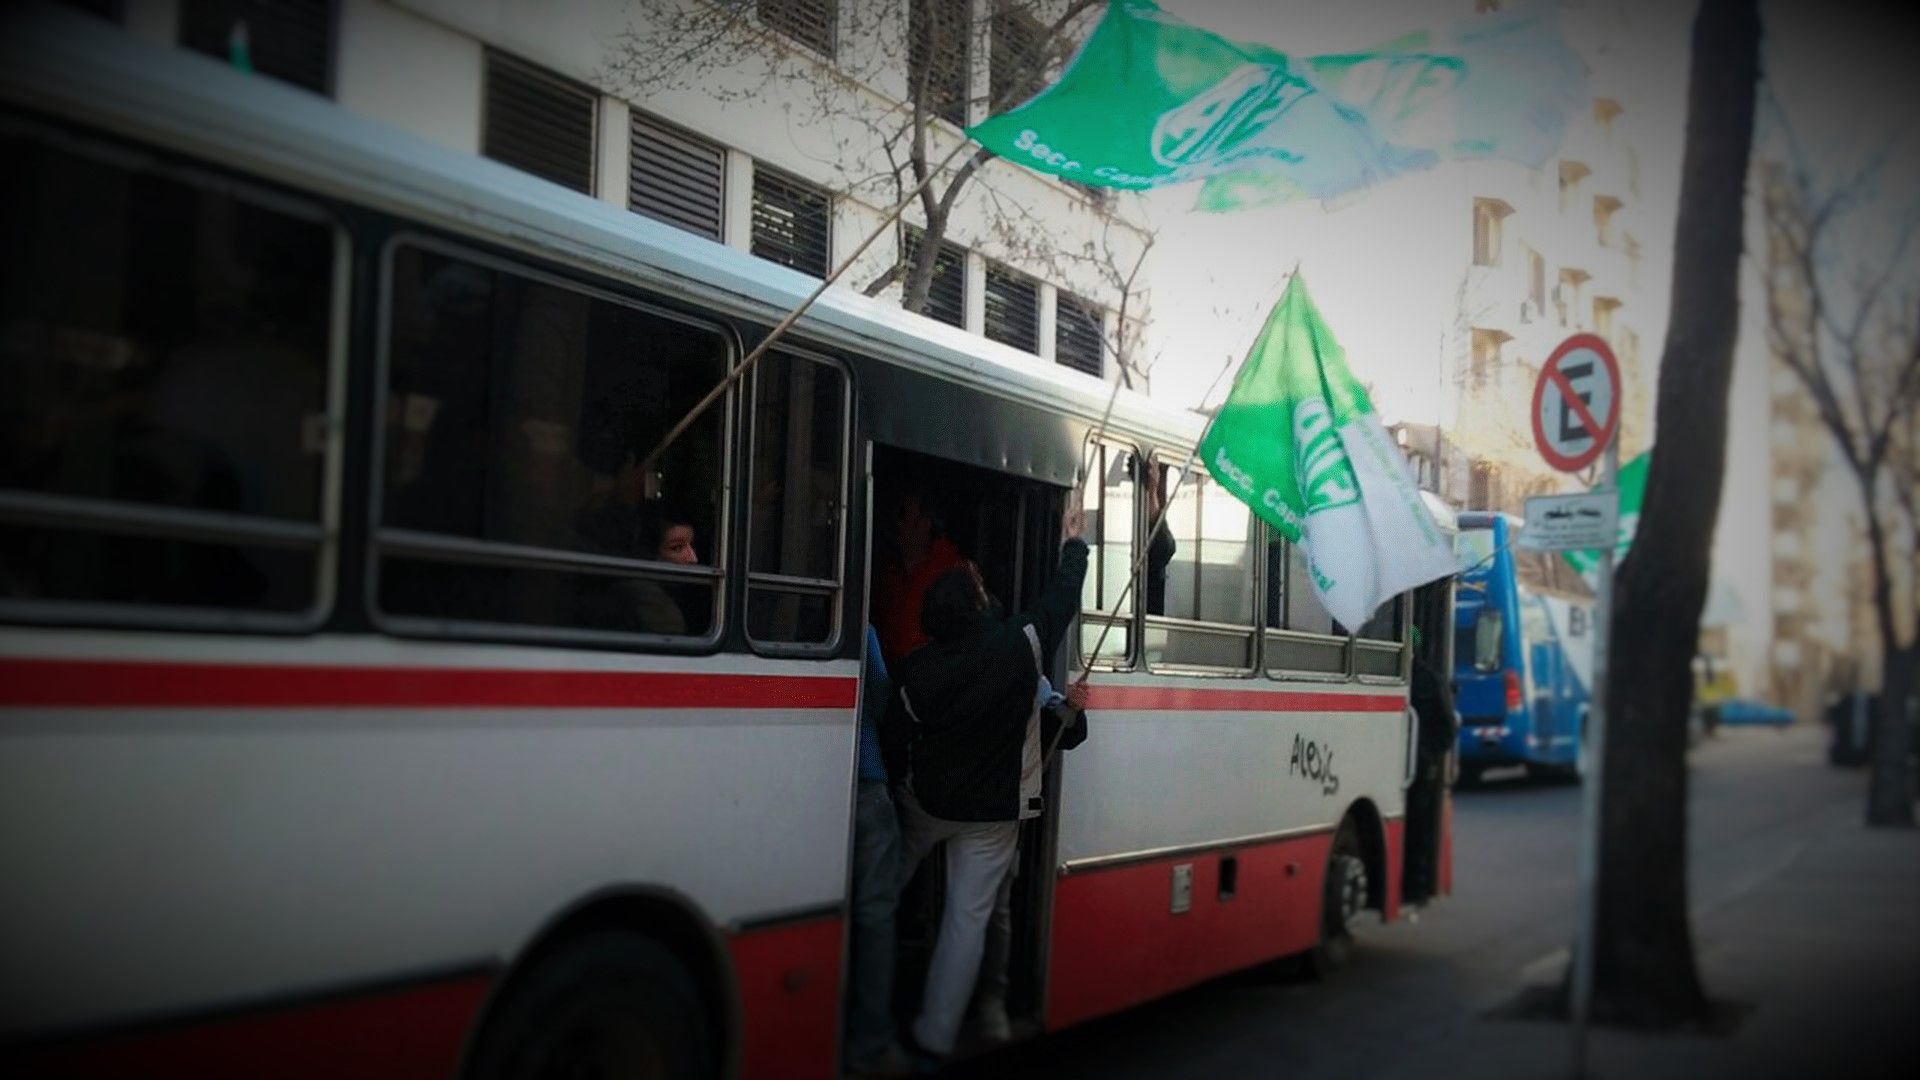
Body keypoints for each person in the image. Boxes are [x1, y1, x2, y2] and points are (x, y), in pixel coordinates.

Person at [882, 503, 1088, 1062]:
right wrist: (1075, 544)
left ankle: (864, 1005)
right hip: (993, 816)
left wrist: (903, 782)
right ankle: (936, 1033)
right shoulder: (1017, 646)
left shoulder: (914, 673)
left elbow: (895, 737)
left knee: (881, 895)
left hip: (925, 804)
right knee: (966, 923)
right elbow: (1062, 601)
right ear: (978, 610)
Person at [971, 674, 1090, 1043]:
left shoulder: (1026, 672)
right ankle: (988, 1001)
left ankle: (983, 999)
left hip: (969, 806)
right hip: (985, 807)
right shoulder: (1019, 666)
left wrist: (1071, 707)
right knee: (992, 909)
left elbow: (1066, 729)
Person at [845, 626, 911, 1078]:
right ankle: (870, 1043)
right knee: (874, 912)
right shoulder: (863, 627)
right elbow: (881, 694)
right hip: (865, 776)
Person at [874, 488, 967, 664]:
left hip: (930, 677)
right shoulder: (889, 571)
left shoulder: (952, 571)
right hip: (889, 674)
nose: (896, 523)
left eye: (903, 515)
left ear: (924, 524)